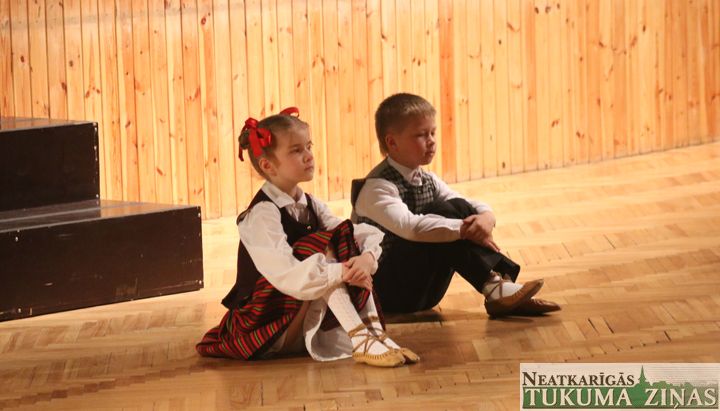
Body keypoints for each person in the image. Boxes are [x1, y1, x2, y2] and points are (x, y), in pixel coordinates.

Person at [196, 107, 418, 367]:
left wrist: (367, 258)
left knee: (343, 237)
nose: (309, 156)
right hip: (264, 321)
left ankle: (374, 333)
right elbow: (287, 274)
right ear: (268, 165)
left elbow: (350, 234)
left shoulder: (310, 204)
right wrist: (341, 272)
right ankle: (360, 338)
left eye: (309, 146)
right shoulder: (261, 214)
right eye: (296, 150)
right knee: (317, 247)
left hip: (297, 310)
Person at [351, 93, 561, 316]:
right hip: (385, 293)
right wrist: (464, 229)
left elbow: (463, 202)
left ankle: (499, 287)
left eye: (433, 133)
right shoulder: (376, 187)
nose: (431, 141)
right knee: (443, 218)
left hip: (423, 291)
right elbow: (411, 228)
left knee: (456, 207)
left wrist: (486, 217)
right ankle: (497, 289)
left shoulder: (427, 179)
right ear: (392, 142)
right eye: (421, 135)